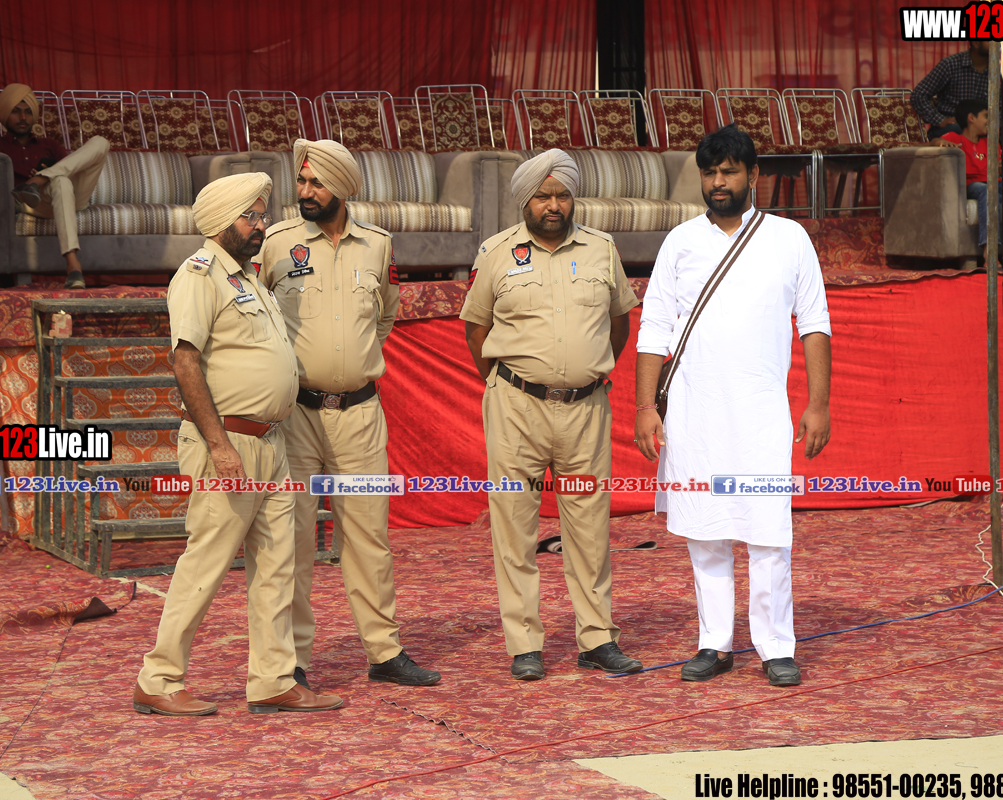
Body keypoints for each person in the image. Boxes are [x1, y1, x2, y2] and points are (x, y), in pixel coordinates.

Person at [134, 172, 343, 716]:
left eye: (262, 215)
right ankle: (158, 678)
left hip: (271, 442)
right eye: (250, 216)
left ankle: (272, 679)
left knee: (277, 566)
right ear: (220, 222)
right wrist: (218, 444)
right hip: (227, 444)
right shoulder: (198, 276)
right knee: (205, 565)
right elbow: (185, 362)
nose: (260, 225)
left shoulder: (248, 279)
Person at [634, 125, 832, 688]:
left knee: (768, 532)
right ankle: (714, 642)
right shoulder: (681, 241)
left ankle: (776, 646)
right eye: (710, 173)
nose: (718, 182)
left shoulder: (789, 238)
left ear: (754, 176)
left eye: (729, 172)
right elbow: (654, 326)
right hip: (694, 411)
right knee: (705, 532)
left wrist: (819, 404)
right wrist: (645, 405)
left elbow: (814, 322)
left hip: (761, 412)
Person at [256, 139, 441, 688]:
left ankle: (384, 653)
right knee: (290, 539)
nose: (305, 191)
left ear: (343, 188)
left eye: (317, 183)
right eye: (302, 181)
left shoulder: (377, 246)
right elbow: (254, 315)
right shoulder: (277, 243)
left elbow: (384, 316)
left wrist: (352, 363)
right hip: (293, 416)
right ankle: (290, 661)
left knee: (367, 538)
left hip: (359, 415)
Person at [459, 148, 643, 681]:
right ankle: (525, 644)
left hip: (586, 410)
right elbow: (475, 328)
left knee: (590, 528)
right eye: (543, 196)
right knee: (514, 527)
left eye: (562, 195)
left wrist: (585, 371)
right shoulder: (496, 253)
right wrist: (510, 383)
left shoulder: (602, 249)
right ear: (525, 201)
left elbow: (619, 324)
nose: (554, 205)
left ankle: (597, 638)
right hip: (516, 408)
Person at [0, 83, 109, 288]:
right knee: (61, 181)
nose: (23, 118)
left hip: (68, 198)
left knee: (100, 142)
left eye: (28, 112)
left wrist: (46, 173)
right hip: (30, 203)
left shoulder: (50, 145)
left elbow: (69, 170)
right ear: (5, 115)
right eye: (16, 112)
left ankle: (38, 180)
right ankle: (73, 266)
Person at [926, 98, 1000, 261]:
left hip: (994, 183)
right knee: (988, 191)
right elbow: (933, 142)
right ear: (971, 118)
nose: (990, 121)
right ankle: (989, 251)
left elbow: (999, 165)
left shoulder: (990, 143)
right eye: (986, 116)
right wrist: (941, 142)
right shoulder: (955, 138)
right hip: (972, 185)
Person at [911, 42, 990, 140]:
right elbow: (918, 95)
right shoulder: (950, 64)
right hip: (952, 128)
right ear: (976, 43)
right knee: (961, 129)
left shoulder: (1000, 69)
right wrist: (940, 120)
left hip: (984, 129)